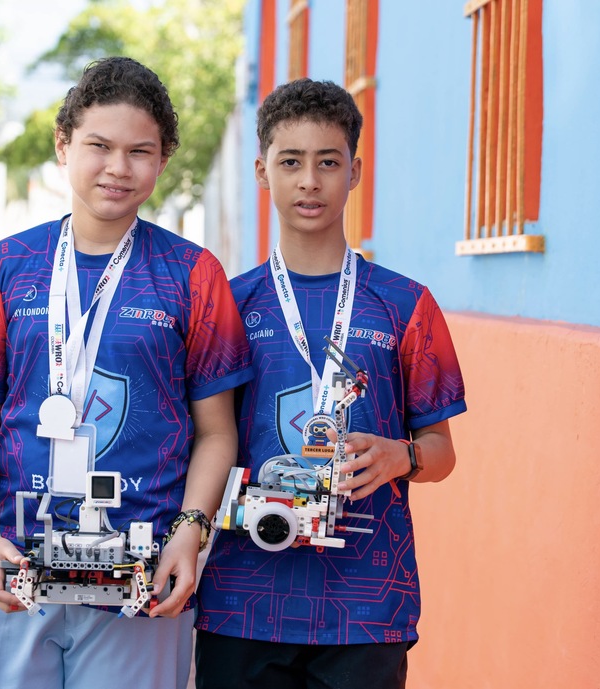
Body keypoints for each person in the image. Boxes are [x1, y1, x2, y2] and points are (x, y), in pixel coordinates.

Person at [0, 56, 252, 689]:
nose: (118, 167)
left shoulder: (194, 275)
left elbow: (217, 431)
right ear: (64, 145)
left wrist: (189, 535)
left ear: (163, 159)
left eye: (141, 151)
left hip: (143, 574)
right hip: (16, 568)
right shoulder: (7, 266)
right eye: (99, 146)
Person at [194, 78, 467, 688]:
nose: (310, 181)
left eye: (328, 162)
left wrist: (405, 455)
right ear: (263, 171)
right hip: (242, 600)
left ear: (356, 171)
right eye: (291, 162)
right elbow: (203, 443)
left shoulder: (406, 305)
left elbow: (443, 452)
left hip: (368, 605)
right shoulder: (226, 305)